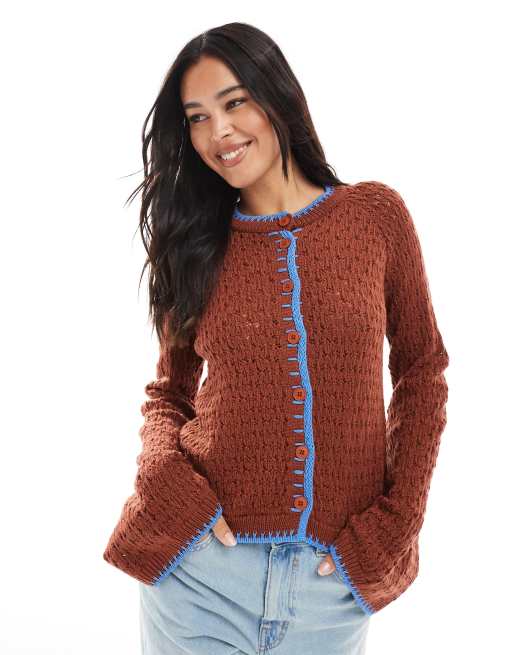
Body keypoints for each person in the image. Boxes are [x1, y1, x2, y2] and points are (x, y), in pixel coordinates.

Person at [103, 21, 449, 655]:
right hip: (200, 577)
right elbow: (169, 394)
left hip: (330, 590)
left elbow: (422, 371)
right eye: (198, 118)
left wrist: (398, 523)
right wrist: (166, 480)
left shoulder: (374, 217)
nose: (219, 132)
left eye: (234, 102)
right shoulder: (197, 247)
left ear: (277, 95)